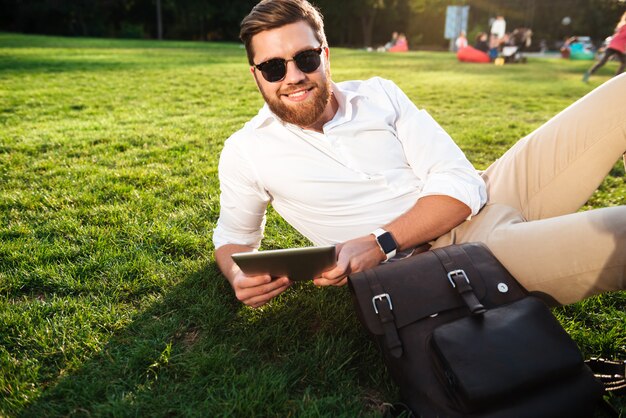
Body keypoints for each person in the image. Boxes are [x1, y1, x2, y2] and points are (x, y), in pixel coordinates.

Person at [214, 0, 626, 309]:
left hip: (486, 193)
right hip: (443, 260)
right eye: (273, 68)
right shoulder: (247, 150)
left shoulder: (379, 94)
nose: (294, 77)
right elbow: (233, 237)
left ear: (325, 55)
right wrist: (237, 273)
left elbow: (460, 181)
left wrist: (380, 242)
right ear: (256, 75)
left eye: (305, 58)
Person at [583, 12, 626, 82]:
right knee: (624, 63)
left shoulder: (621, 25)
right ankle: (615, 79)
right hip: (618, 47)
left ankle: (588, 73)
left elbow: (617, 35)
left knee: (602, 62)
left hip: (612, 45)